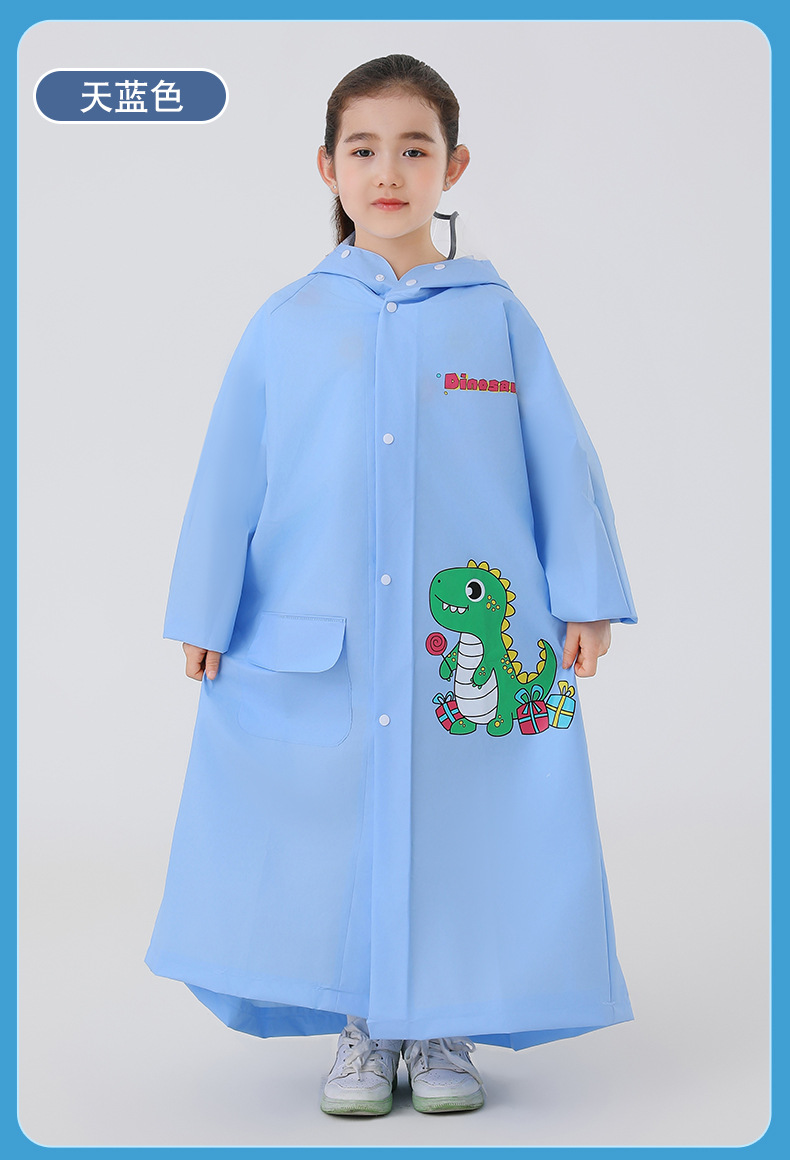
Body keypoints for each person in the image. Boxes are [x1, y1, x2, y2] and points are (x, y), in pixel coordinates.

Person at [146, 53, 638, 1118]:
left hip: (465, 648)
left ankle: (442, 1018)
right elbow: (230, 471)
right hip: (318, 639)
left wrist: (586, 596)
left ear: (452, 167)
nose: (388, 170)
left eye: (414, 149)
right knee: (332, 830)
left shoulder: (495, 318)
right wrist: (203, 611)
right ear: (327, 167)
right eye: (363, 149)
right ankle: (363, 1022)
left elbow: (560, 459)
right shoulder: (289, 320)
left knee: (466, 821)